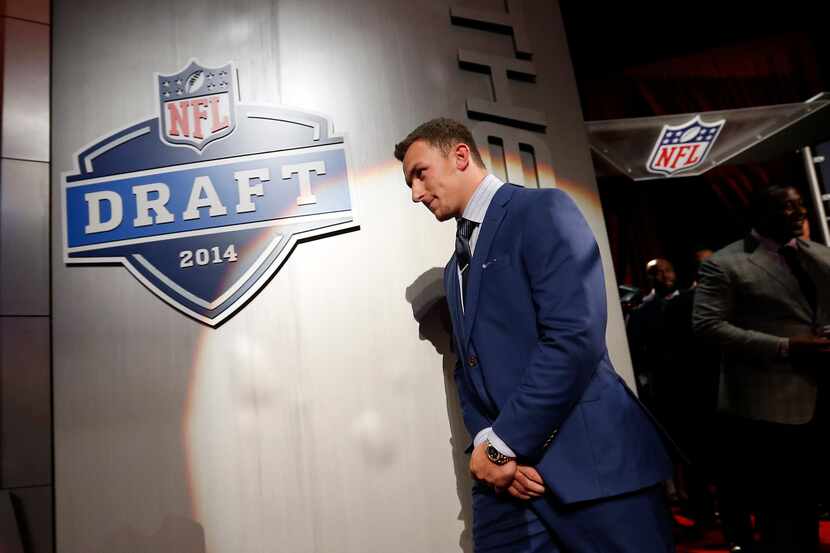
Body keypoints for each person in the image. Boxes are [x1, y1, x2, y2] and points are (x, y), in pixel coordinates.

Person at [394, 118, 674, 553]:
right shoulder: (455, 269)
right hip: (504, 485)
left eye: (420, 173)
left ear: (460, 156)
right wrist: (488, 441)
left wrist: (506, 443)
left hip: (592, 469)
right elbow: (467, 370)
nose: (415, 193)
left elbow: (574, 336)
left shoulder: (541, 210)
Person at [693, 184, 830, 553]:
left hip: (820, 397)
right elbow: (707, 326)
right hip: (768, 408)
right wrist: (785, 347)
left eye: (801, 205)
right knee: (782, 514)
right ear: (760, 215)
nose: (799, 212)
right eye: (787, 207)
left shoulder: (820, 255)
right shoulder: (724, 264)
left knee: (812, 507)